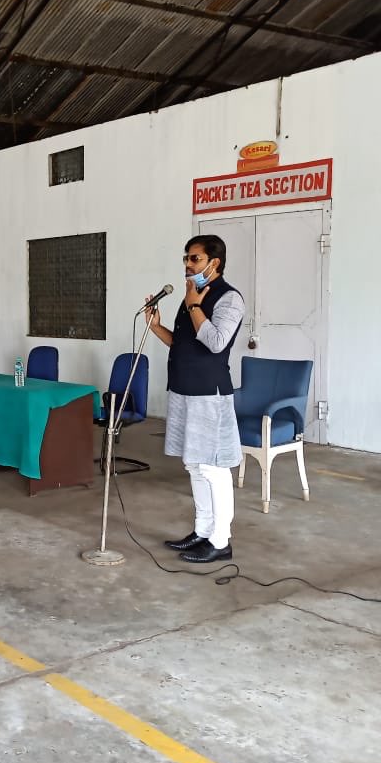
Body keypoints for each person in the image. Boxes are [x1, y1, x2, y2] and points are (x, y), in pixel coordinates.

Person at [144, 234, 245, 564]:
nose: (188, 265)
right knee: (193, 464)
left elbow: (215, 342)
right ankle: (202, 530)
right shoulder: (191, 297)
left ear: (214, 263)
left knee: (213, 467)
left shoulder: (228, 299)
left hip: (209, 394)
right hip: (184, 390)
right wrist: (157, 327)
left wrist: (195, 305)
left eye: (195, 259)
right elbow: (183, 344)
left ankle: (221, 540)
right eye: (186, 258)